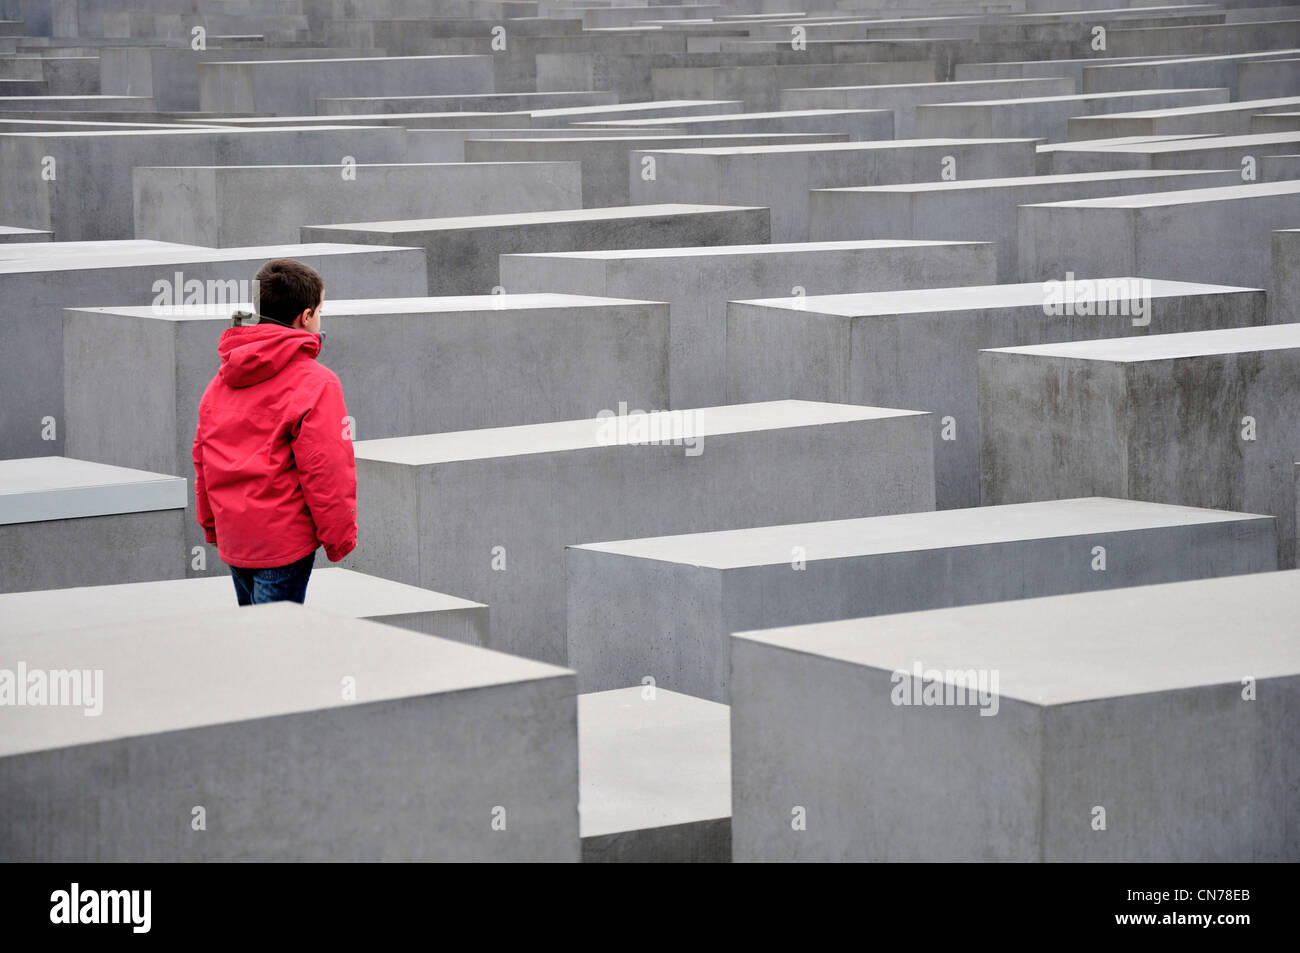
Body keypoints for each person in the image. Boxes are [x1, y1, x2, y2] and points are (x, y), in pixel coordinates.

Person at [191, 258, 357, 605]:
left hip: (235, 538)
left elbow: (203, 459)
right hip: (283, 545)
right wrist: (339, 539)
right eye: (321, 309)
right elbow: (327, 470)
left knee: (255, 644)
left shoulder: (221, 380)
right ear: (306, 316)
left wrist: (211, 525)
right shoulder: (317, 382)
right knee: (276, 650)